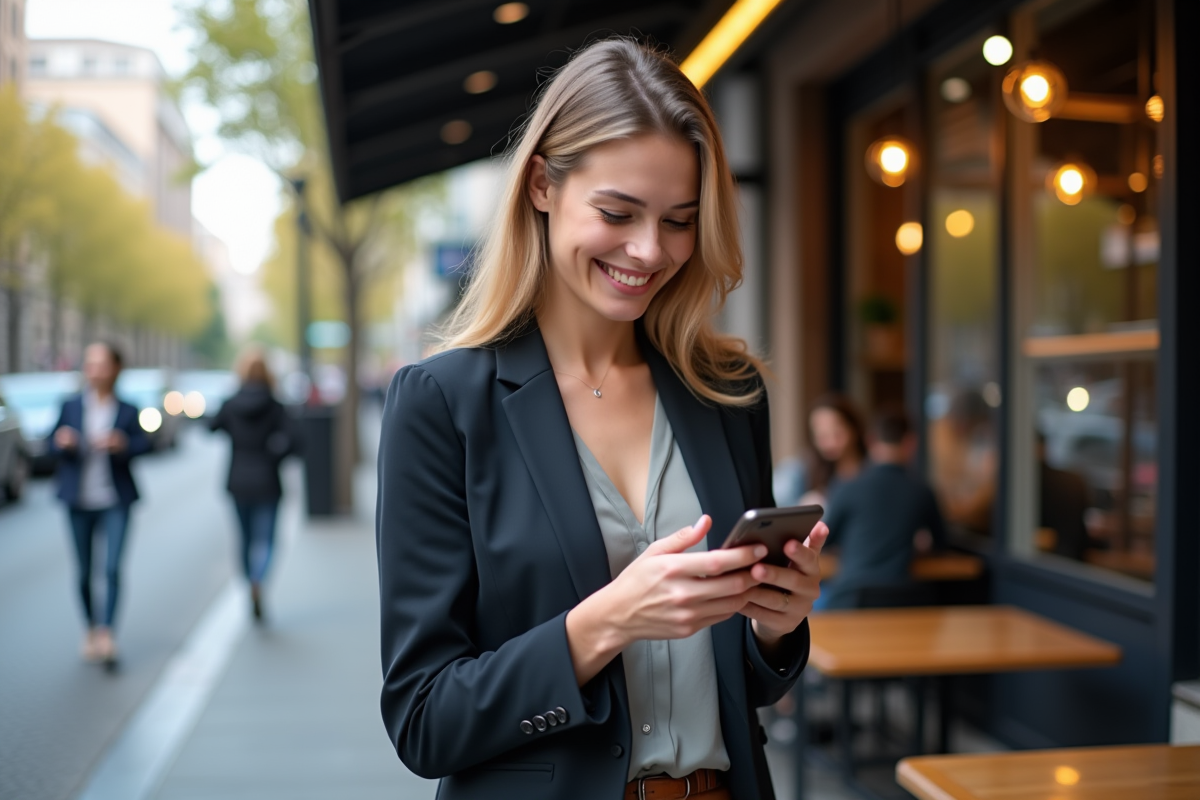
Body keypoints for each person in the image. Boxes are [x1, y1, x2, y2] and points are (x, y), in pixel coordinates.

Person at [376, 39, 828, 800]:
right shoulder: (443, 404)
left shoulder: (727, 392)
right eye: (618, 212)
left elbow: (743, 688)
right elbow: (424, 719)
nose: (650, 251)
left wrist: (774, 624)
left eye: (680, 221)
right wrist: (605, 623)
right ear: (543, 185)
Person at [50, 341, 151, 668]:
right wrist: (63, 442)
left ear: (116, 369)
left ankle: (107, 633)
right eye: (90, 364)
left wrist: (122, 444)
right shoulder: (70, 406)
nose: (94, 371)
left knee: (111, 569)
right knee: (83, 572)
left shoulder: (128, 409)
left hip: (115, 499)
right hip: (78, 500)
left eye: (101, 364)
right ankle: (91, 628)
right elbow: (51, 444)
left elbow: (143, 444)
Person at [815, 407, 947, 610]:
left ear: (870, 441)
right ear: (911, 443)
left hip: (852, 598)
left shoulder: (847, 487)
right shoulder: (922, 491)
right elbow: (941, 544)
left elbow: (823, 539)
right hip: (903, 600)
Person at [209, 346, 292, 622]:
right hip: (268, 478)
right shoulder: (276, 405)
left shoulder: (231, 403)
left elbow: (212, 426)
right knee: (266, 540)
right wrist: (275, 452)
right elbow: (295, 440)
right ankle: (259, 579)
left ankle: (249, 581)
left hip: (238, 479)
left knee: (244, 539)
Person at [797, 394, 867, 506]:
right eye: (822, 436)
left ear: (854, 428)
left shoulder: (872, 471)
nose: (831, 442)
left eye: (837, 433)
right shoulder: (806, 475)